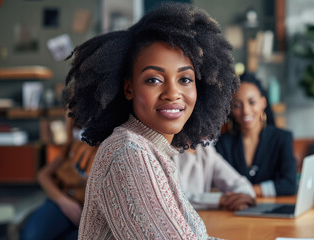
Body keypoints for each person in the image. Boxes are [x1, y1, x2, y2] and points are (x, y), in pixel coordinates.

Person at [64, 2, 239, 239]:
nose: (172, 93)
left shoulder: (154, 150)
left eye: (185, 79)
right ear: (128, 88)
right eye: (154, 80)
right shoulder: (128, 153)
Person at [215, 73, 297, 197]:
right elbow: (217, 186)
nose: (246, 111)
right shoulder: (223, 144)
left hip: (273, 209)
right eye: (237, 105)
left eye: (252, 102)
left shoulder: (282, 138)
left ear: (263, 103)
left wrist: (252, 191)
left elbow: (289, 184)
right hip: (233, 211)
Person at [19, 116, 97, 240]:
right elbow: (43, 174)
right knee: (31, 236)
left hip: (93, 212)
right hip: (66, 199)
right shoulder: (74, 141)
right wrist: (62, 200)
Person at [173, 144, 256, 211]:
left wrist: (240, 198)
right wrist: (221, 200)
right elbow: (175, 198)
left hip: (202, 221)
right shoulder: (168, 151)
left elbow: (241, 183)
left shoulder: (206, 150)